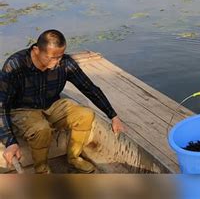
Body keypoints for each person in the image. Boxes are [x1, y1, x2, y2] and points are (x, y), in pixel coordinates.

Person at [0, 29, 124, 173]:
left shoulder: (65, 63)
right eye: (51, 57)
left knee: (86, 115)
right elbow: (1, 105)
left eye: (59, 56)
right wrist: (10, 141)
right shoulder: (15, 65)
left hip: (52, 105)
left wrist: (113, 115)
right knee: (42, 129)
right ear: (36, 50)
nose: (56, 62)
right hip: (22, 109)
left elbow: (89, 88)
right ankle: (42, 170)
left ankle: (73, 158)